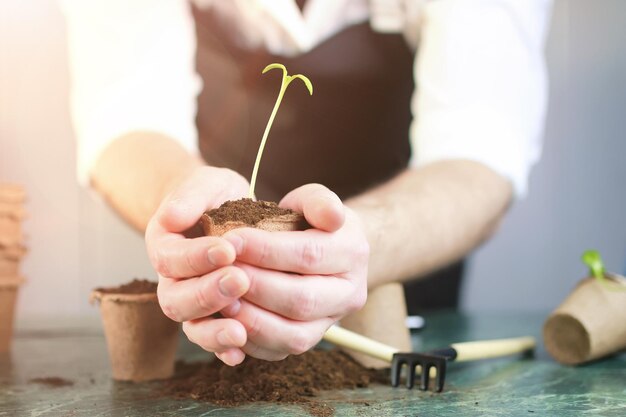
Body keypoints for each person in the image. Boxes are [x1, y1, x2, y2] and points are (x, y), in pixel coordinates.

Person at [61, 0, 553, 366]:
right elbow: (127, 114)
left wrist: (356, 244)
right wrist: (184, 199)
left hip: (398, 289)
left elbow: (478, 153)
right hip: (220, 310)